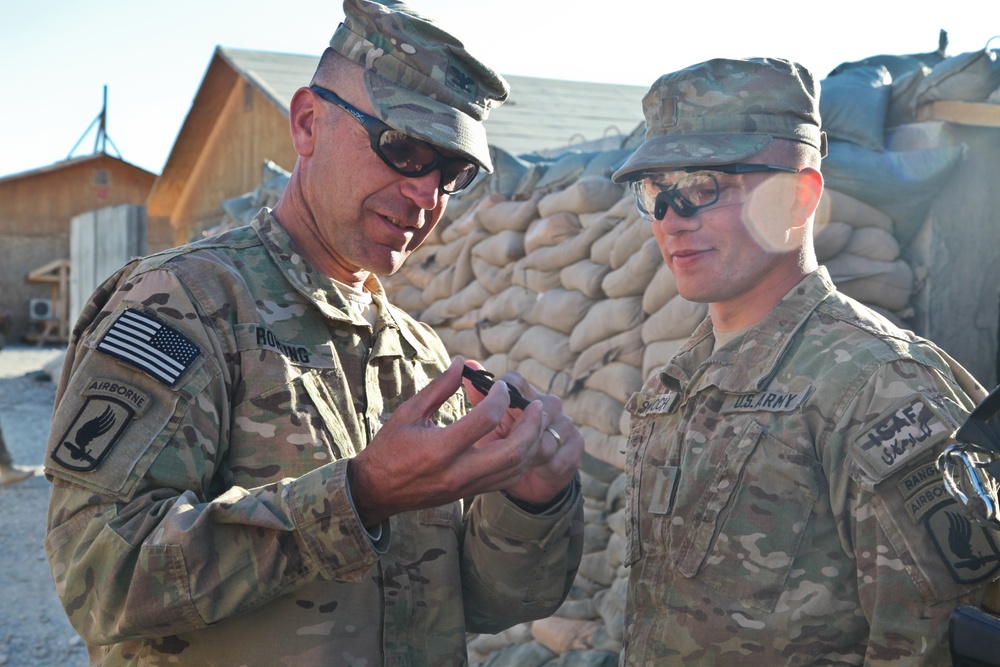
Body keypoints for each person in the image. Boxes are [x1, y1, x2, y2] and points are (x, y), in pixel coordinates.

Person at [43, 1, 584, 664]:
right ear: (307, 122)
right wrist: (359, 495)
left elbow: (473, 604)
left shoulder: (417, 355)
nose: (426, 194)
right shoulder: (184, 304)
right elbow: (98, 578)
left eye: (452, 172)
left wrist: (529, 503)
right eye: (403, 148)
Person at [610, 57, 998, 665]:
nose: (672, 219)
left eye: (705, 187)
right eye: (657, 190)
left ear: (798, 196)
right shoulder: (680, 379)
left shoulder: (880, 389)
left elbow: (930, 646)